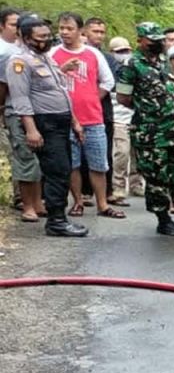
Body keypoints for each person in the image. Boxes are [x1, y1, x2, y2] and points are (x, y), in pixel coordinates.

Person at [116, 22, 174, 236]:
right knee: (157, 177)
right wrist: (147, 108)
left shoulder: (163, 63)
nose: (158, 44)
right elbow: (123, 97)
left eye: (160, 40)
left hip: (173, 129)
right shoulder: (131, 66)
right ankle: (164, 219)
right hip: (150, 133)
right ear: (140, 41)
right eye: (153, 41)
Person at [6, 15, 87, 237]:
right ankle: (56, 221)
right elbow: (21, 99)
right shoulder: (19, 62)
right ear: (24, 37)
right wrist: (31, 129)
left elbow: (59, 90)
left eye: (48, 36)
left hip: (62, 123)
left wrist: (75, 122)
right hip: (45, 123)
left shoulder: (45, 58)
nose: (46, 40)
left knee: (63, 169)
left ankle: (59, 218)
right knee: (57, 171)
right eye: (40, 37)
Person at [51, 12, 123, 220]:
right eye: (62, 28)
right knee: (72, 163)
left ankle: (102, 203)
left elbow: (108, 81)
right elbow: (47, 84)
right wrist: (62, 70)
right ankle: (78, 202)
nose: (65, 32)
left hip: (93, 118)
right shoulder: (54, 54)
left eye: (69, 28)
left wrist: (93, 97)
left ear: (80, 31)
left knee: (98, 163)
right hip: (64, 118)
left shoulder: (93, 54)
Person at [0, 7, 46, 222]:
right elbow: (4, 88)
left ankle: (38, 202)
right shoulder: (11, 55)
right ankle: (27, 205)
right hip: (17, 112)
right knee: (25, 158)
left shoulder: (40, 55)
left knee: (37, 159)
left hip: (39, 112)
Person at [84, 16, 121, 209]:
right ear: (85, 32)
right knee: (80, 153)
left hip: (102, 109)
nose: (98, 35)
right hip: (79, 110)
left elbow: (110, 82)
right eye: (95, 31)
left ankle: (107, 191)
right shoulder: (76, 53)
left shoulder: (107, 58)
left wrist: (93, 99)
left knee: (104, 150)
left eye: (101, 32)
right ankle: (85, 192)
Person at [107, 36, 143, 201]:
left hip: (136, 118)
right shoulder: (109, 71)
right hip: (118, 118)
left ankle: (137, 185)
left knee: (138, 154)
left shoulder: (137, 69)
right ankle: (119, 187)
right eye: (119, 52)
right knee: (121, 153)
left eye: (126, 51)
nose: (123, 54)